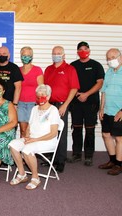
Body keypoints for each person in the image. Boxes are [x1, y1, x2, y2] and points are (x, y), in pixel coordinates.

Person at [9, 84, 60, 190]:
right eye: (38, 95)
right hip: (32, 139)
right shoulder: (34, 108)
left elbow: (53, 133)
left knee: (27, 150)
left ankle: (35, 177)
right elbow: (29, 126)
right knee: (12, 145)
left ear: (48, 96)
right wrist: (26, 137)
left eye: (43, 95)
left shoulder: (53, 110)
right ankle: (22, 174)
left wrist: (34, 140)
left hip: (47, 140)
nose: (40, 98)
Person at [44, 45, 80, 173]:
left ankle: (60, 160)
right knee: (48, 131)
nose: (56, 55)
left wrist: (65, 105)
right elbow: (45, 88)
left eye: (59, 53)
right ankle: (50, 158)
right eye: (54, 53)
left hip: (61, 105)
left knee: (60, 132)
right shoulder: (48, 69)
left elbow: (74, 88)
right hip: (49, 104)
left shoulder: (70, 69)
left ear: (64, 55)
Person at [69, 41, 104, 166]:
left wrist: (86, 94)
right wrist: (78, 94)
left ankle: (89, 156)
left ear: (89, 50)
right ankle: (76, 154)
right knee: (76, 129)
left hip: (91, 103)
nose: (83, 51)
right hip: (76, 102)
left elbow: (99, 83)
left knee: (90, 130)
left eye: (85, 49)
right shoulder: (72, 66)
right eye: (80, 49)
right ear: (77, 52)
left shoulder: (96, 65)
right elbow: (69, 83)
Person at [98, 48, 122, 175]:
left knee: (119, 138)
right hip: (108, 110)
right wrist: (101, 108)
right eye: (108, 58)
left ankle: (119, 164)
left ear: (120, 57)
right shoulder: (108, 72)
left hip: (119, 112)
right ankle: (112, 160)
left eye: (113, 57)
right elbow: (104, 91)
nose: (110, 60)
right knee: (106, 135)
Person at [17, 46, 43, 137]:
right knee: (23, 130)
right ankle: (21, 149)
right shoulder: (18, 70)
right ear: (20, 56)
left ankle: (29, 150)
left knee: (31, 130)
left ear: (32, 56)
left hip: (33, 104)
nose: (26, 57)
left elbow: (41, 88)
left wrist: (40, 104)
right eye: (24, 55)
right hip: (20, 104)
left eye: (28, 55)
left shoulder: (37, 70)